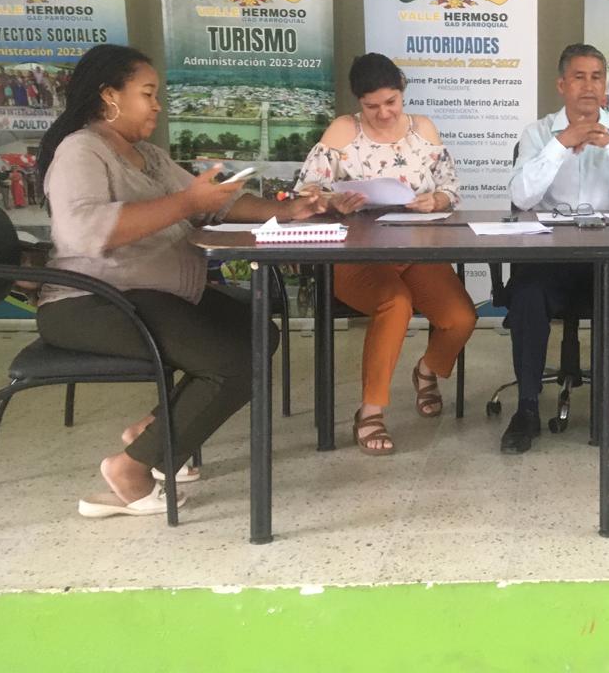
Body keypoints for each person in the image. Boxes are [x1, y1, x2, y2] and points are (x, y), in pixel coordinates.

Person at [35, 44, 354, 518]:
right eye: (147, 94)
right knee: (236, 364)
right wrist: (187, 203)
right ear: (109, 96)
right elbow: (84, 231)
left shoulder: (147, 155)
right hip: (91, 302)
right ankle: (130, 468)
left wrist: (290, 211)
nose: (157, 105)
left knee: (256, 331)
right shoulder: (81, 150)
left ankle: (150, 436)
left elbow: (215, 202)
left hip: (151, 294)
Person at [296, 52, 476, 456]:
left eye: (391, 102)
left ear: (402, 91)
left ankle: (426, 370)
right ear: (358, 102)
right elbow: (306, 190)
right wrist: (332, 200)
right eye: (371, 106)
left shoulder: (423, 129)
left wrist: (436, 200)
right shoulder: (344, 130)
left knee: (461, 318)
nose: (383, 113)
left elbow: (451, 188)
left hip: (415, 248)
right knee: (395, 304)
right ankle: (371, 411)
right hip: (356, 254)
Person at [502, 43, 609, 453]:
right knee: (527, 294)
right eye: (579, 77)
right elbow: (521, 197)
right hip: (551, 257)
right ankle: (526, 408)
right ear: (561, 85)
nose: (589, 86)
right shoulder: (537, 133)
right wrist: (561, 144)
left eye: (596, 77)